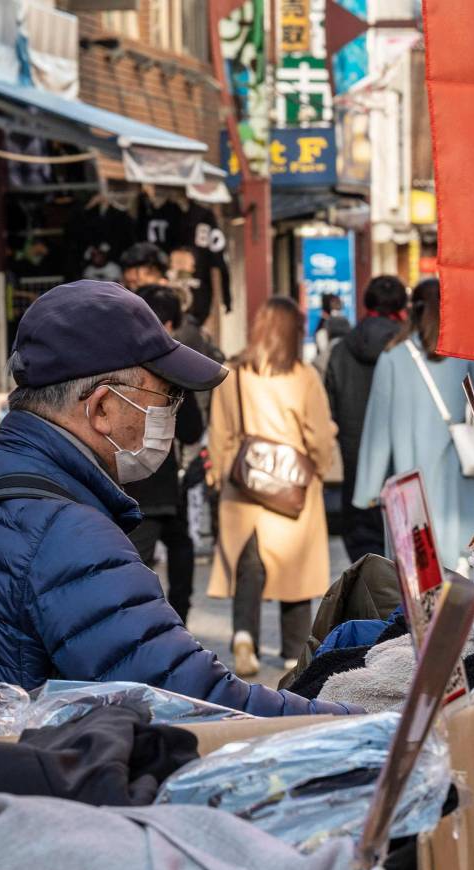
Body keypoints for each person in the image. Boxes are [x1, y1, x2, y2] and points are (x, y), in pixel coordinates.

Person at [0, 280, 341, 716]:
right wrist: (361, 722)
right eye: (167, 396)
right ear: (101, 408)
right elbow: (197, 701)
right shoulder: (71, 536)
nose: (171, 413)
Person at [207, 296, 339, 680]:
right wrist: (320, 465)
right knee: (294, 569)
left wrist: (219, 475)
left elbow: (220, 431)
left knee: (248, 565)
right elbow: (318, 435)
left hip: (244, 484)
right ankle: (291, 654)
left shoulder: (232, 372)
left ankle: (244, 636)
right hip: (293, 487)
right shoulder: (303, 375)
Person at [354, 278, 474, 560]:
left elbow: (377, 429)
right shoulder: (466, 351)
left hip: (411, 482)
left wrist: (368, 488)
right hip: (462, 475)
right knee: (463, 561)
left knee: (418, 566)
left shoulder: (393, 357)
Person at [120, 284, 202, 623]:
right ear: (166, 324)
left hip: (125, 483)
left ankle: (145, 625)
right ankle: (175, 622)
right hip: (162, 482)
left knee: (135, 566)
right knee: (180, 551)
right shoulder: (173, 367)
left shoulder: (113, 360)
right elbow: (192, 429)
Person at [322, 274, 407, 560]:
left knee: (366, 568)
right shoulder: (410, 351)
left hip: (356, 469)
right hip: (403, 471)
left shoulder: (341, 350)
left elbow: (330, 407)